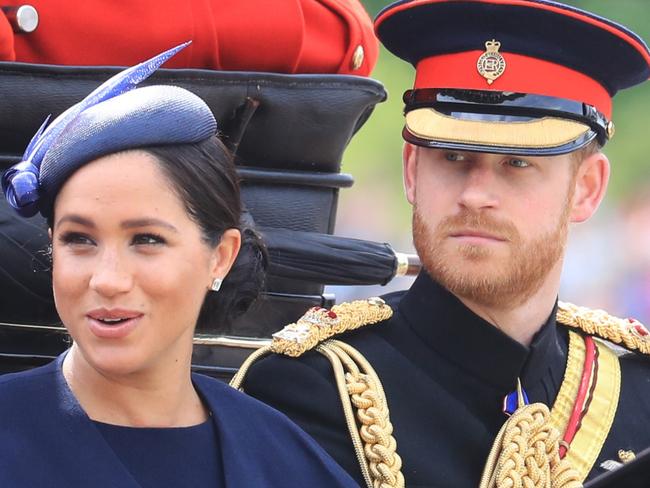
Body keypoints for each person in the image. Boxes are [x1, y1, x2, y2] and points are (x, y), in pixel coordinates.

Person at [237, 1, 650, 487]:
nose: (475, 195)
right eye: (452, 157)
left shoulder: (637, 393)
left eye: (517, 164)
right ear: (412, 171)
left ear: (587, 188)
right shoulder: (309, 393)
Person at [0, 46, 359, 487]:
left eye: (147, 240)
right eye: (80, 240)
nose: (108, 279)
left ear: (220, 256)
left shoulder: (286, 462)